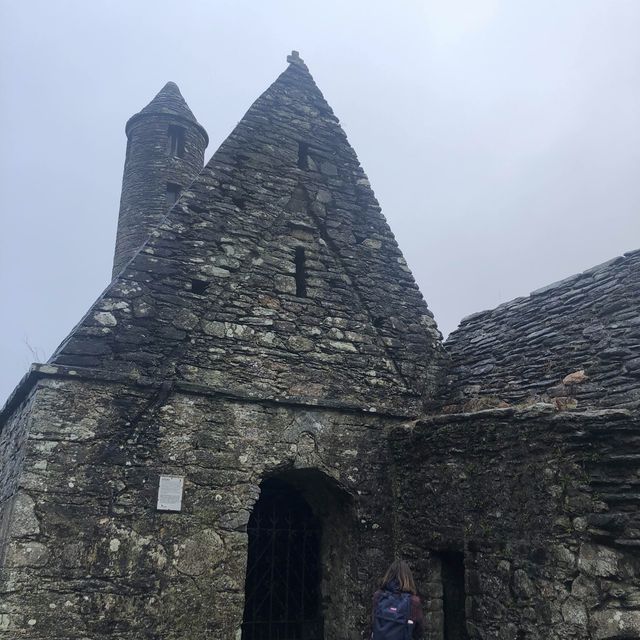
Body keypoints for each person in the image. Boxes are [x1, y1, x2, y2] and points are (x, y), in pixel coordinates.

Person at [371, 559, 425, 640]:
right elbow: (419, 631)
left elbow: (372, 623)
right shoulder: (413, 602)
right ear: (408, 578)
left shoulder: (378, 596)